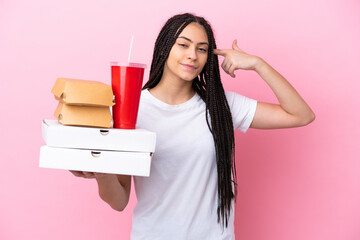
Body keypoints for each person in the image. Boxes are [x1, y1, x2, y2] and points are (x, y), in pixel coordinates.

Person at [70, 13, 315, 239]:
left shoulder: (221, 106)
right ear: (165, 47)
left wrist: (258, 64)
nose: (192, 55)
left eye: (202, 49)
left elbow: (300, 115)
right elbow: (119, 200)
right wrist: (101, 174)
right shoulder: (132, 110)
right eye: (184, 45)